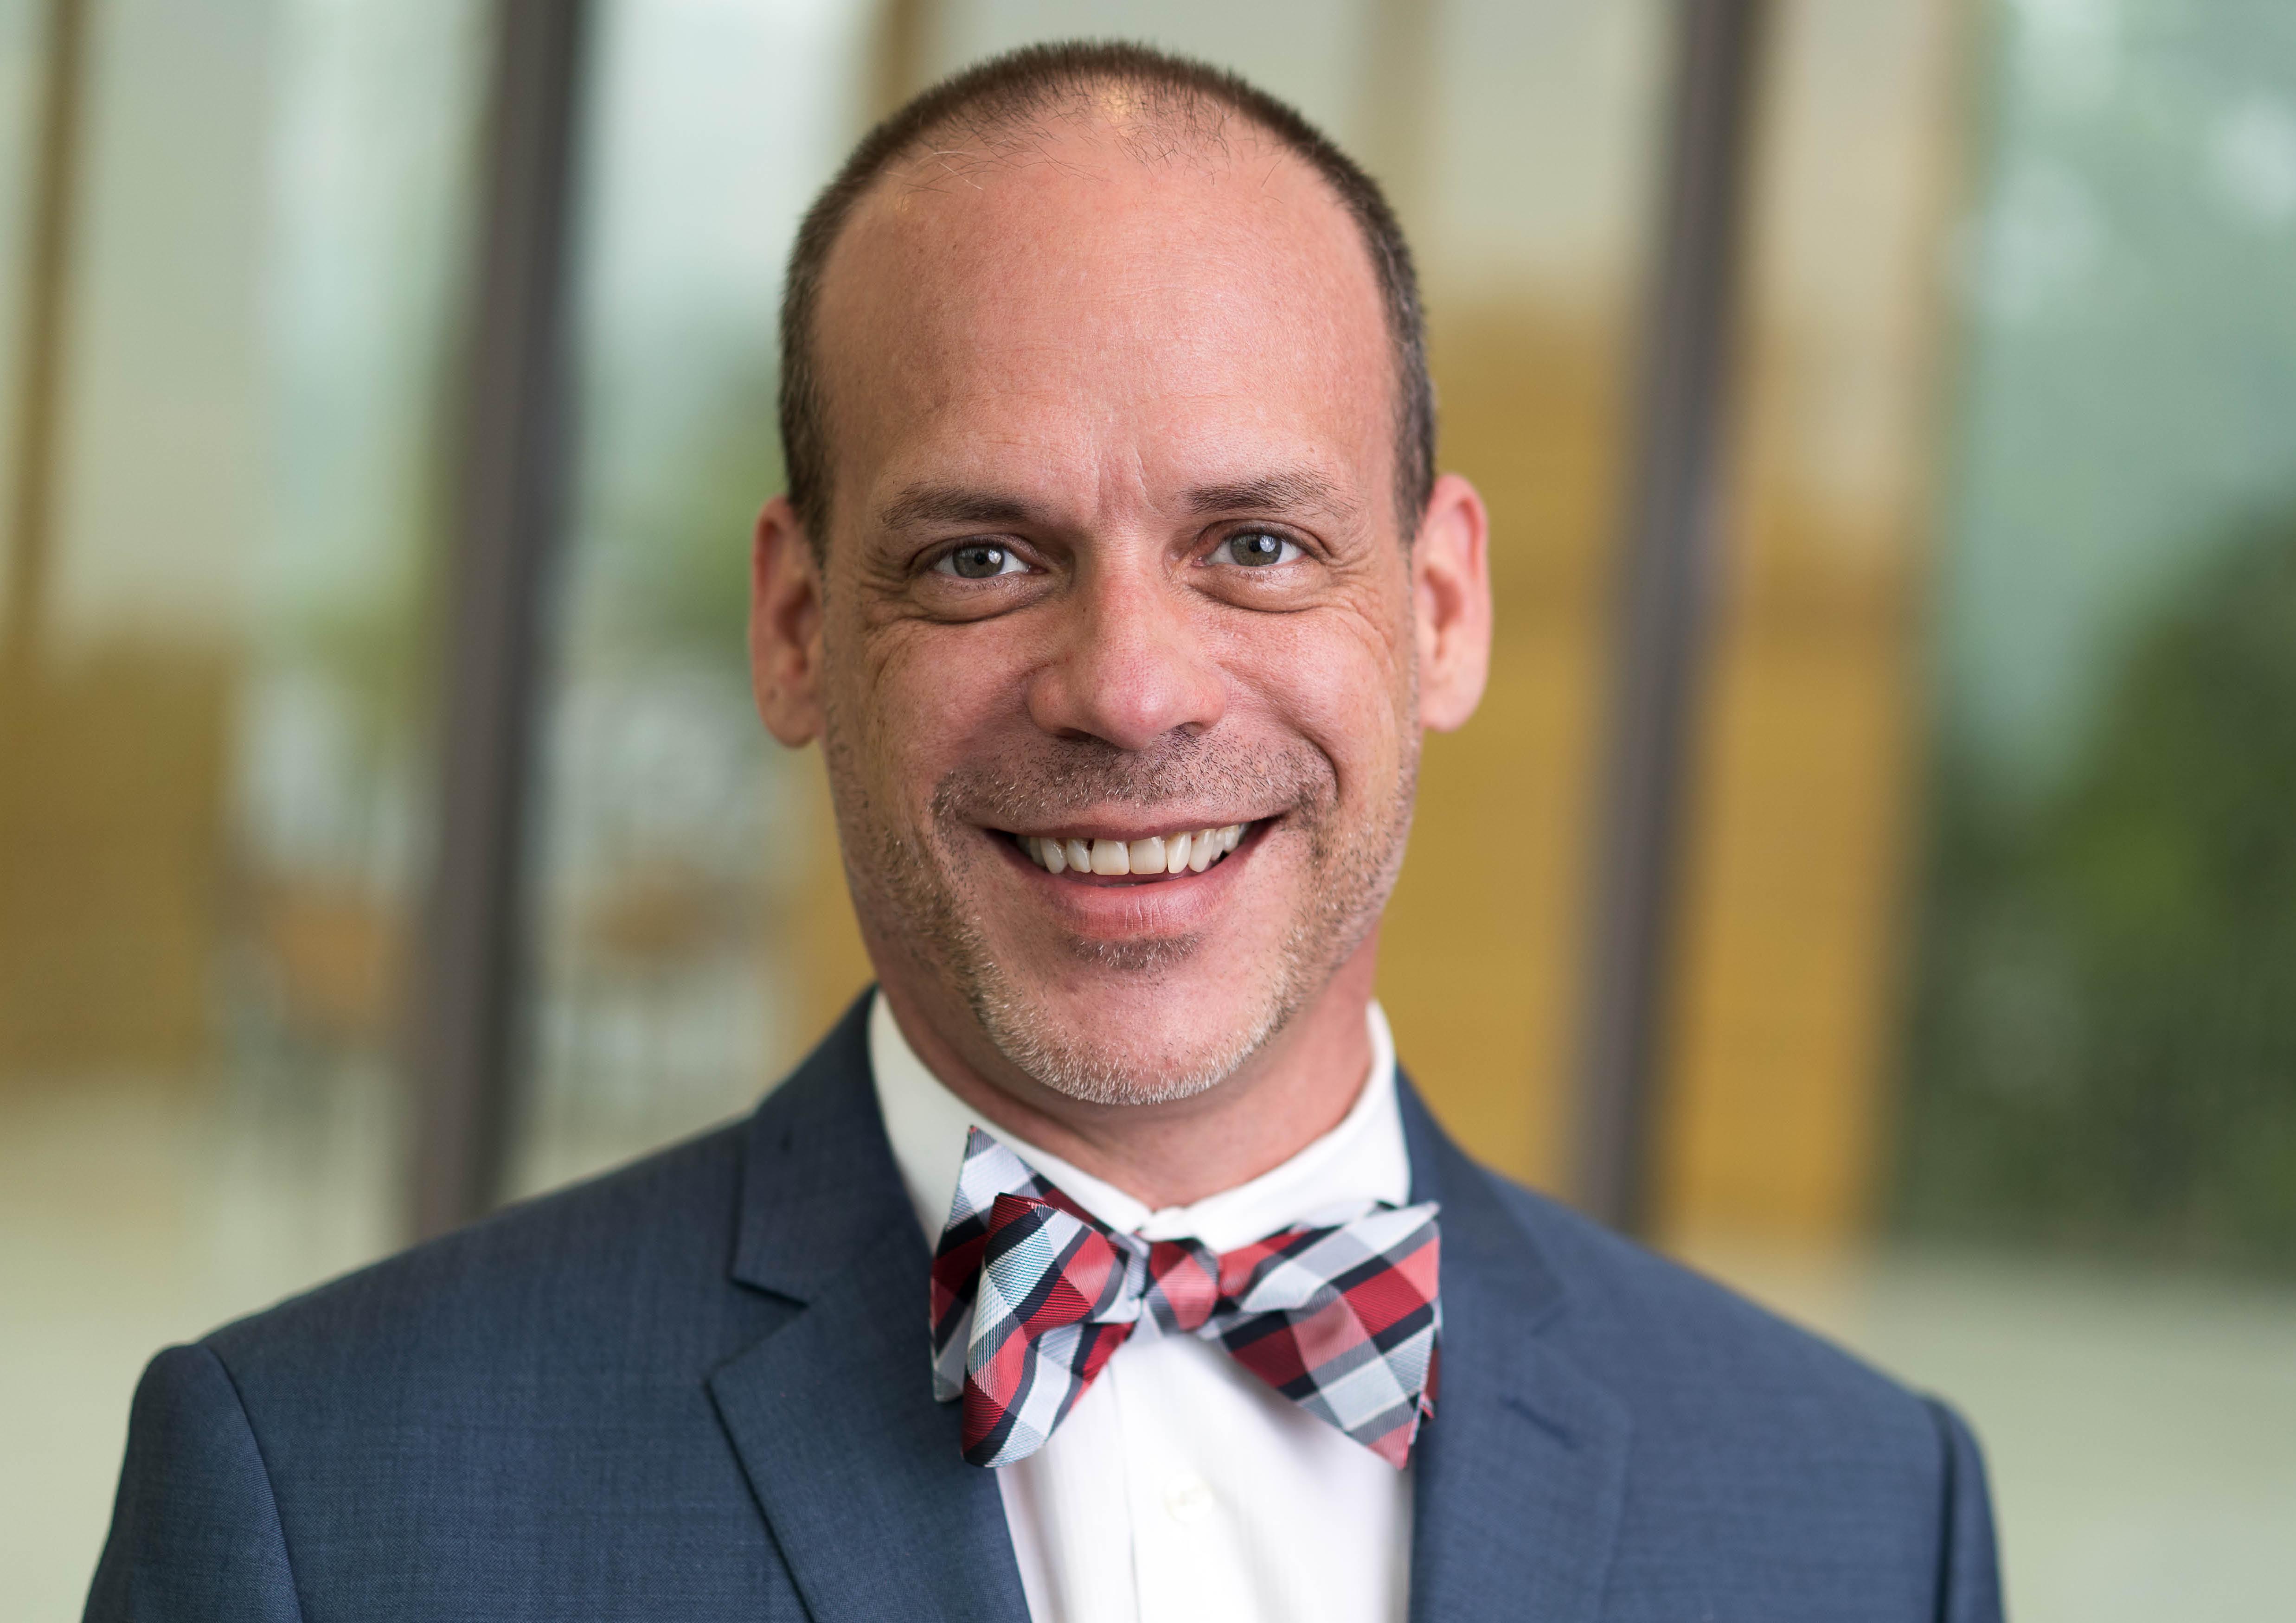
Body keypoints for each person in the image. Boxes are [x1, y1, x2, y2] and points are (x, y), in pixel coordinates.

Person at [87, 41, 2001, 1623]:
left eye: (1254, 544)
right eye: (982, 555)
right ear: (792, 624)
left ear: (1437, 610)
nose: (1132, 687)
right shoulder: (322, 1501)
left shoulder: (1861, 1517)